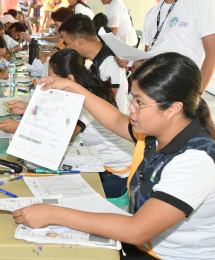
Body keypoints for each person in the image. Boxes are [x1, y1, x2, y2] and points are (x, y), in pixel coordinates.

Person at [20, 52, 215, 260]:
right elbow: (114, 120)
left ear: (173, 109)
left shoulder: (195, 161)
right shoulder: (156, 132)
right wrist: (73, 88)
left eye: (139, 102)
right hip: (142, 249)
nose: (131, 107)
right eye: (132, 98)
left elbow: (137, 230)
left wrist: (53, 214)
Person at [0, 49, 133, 197]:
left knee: (51, 190)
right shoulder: (79, 92)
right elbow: (57, 118)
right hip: (100, 166)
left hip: (116, 176)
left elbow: (62, 135)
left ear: (69, 80)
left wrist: (21, 127)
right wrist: (30, 109)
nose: (49, 83)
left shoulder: (90, 100)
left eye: (52, 79)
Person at [117, 0, 215, 95]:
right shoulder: (152, 13)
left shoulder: (202, 3)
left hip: (182, 90)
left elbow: (212, 54)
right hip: (151, 89)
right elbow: (149, 59)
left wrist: (197, 98)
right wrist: (132, 61)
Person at [60, 14, 128, 114]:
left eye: (67, 43)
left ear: (79, 41)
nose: (67, 48)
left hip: (107, 122)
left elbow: (107, 105)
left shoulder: (110, 62)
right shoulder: (90, 57)